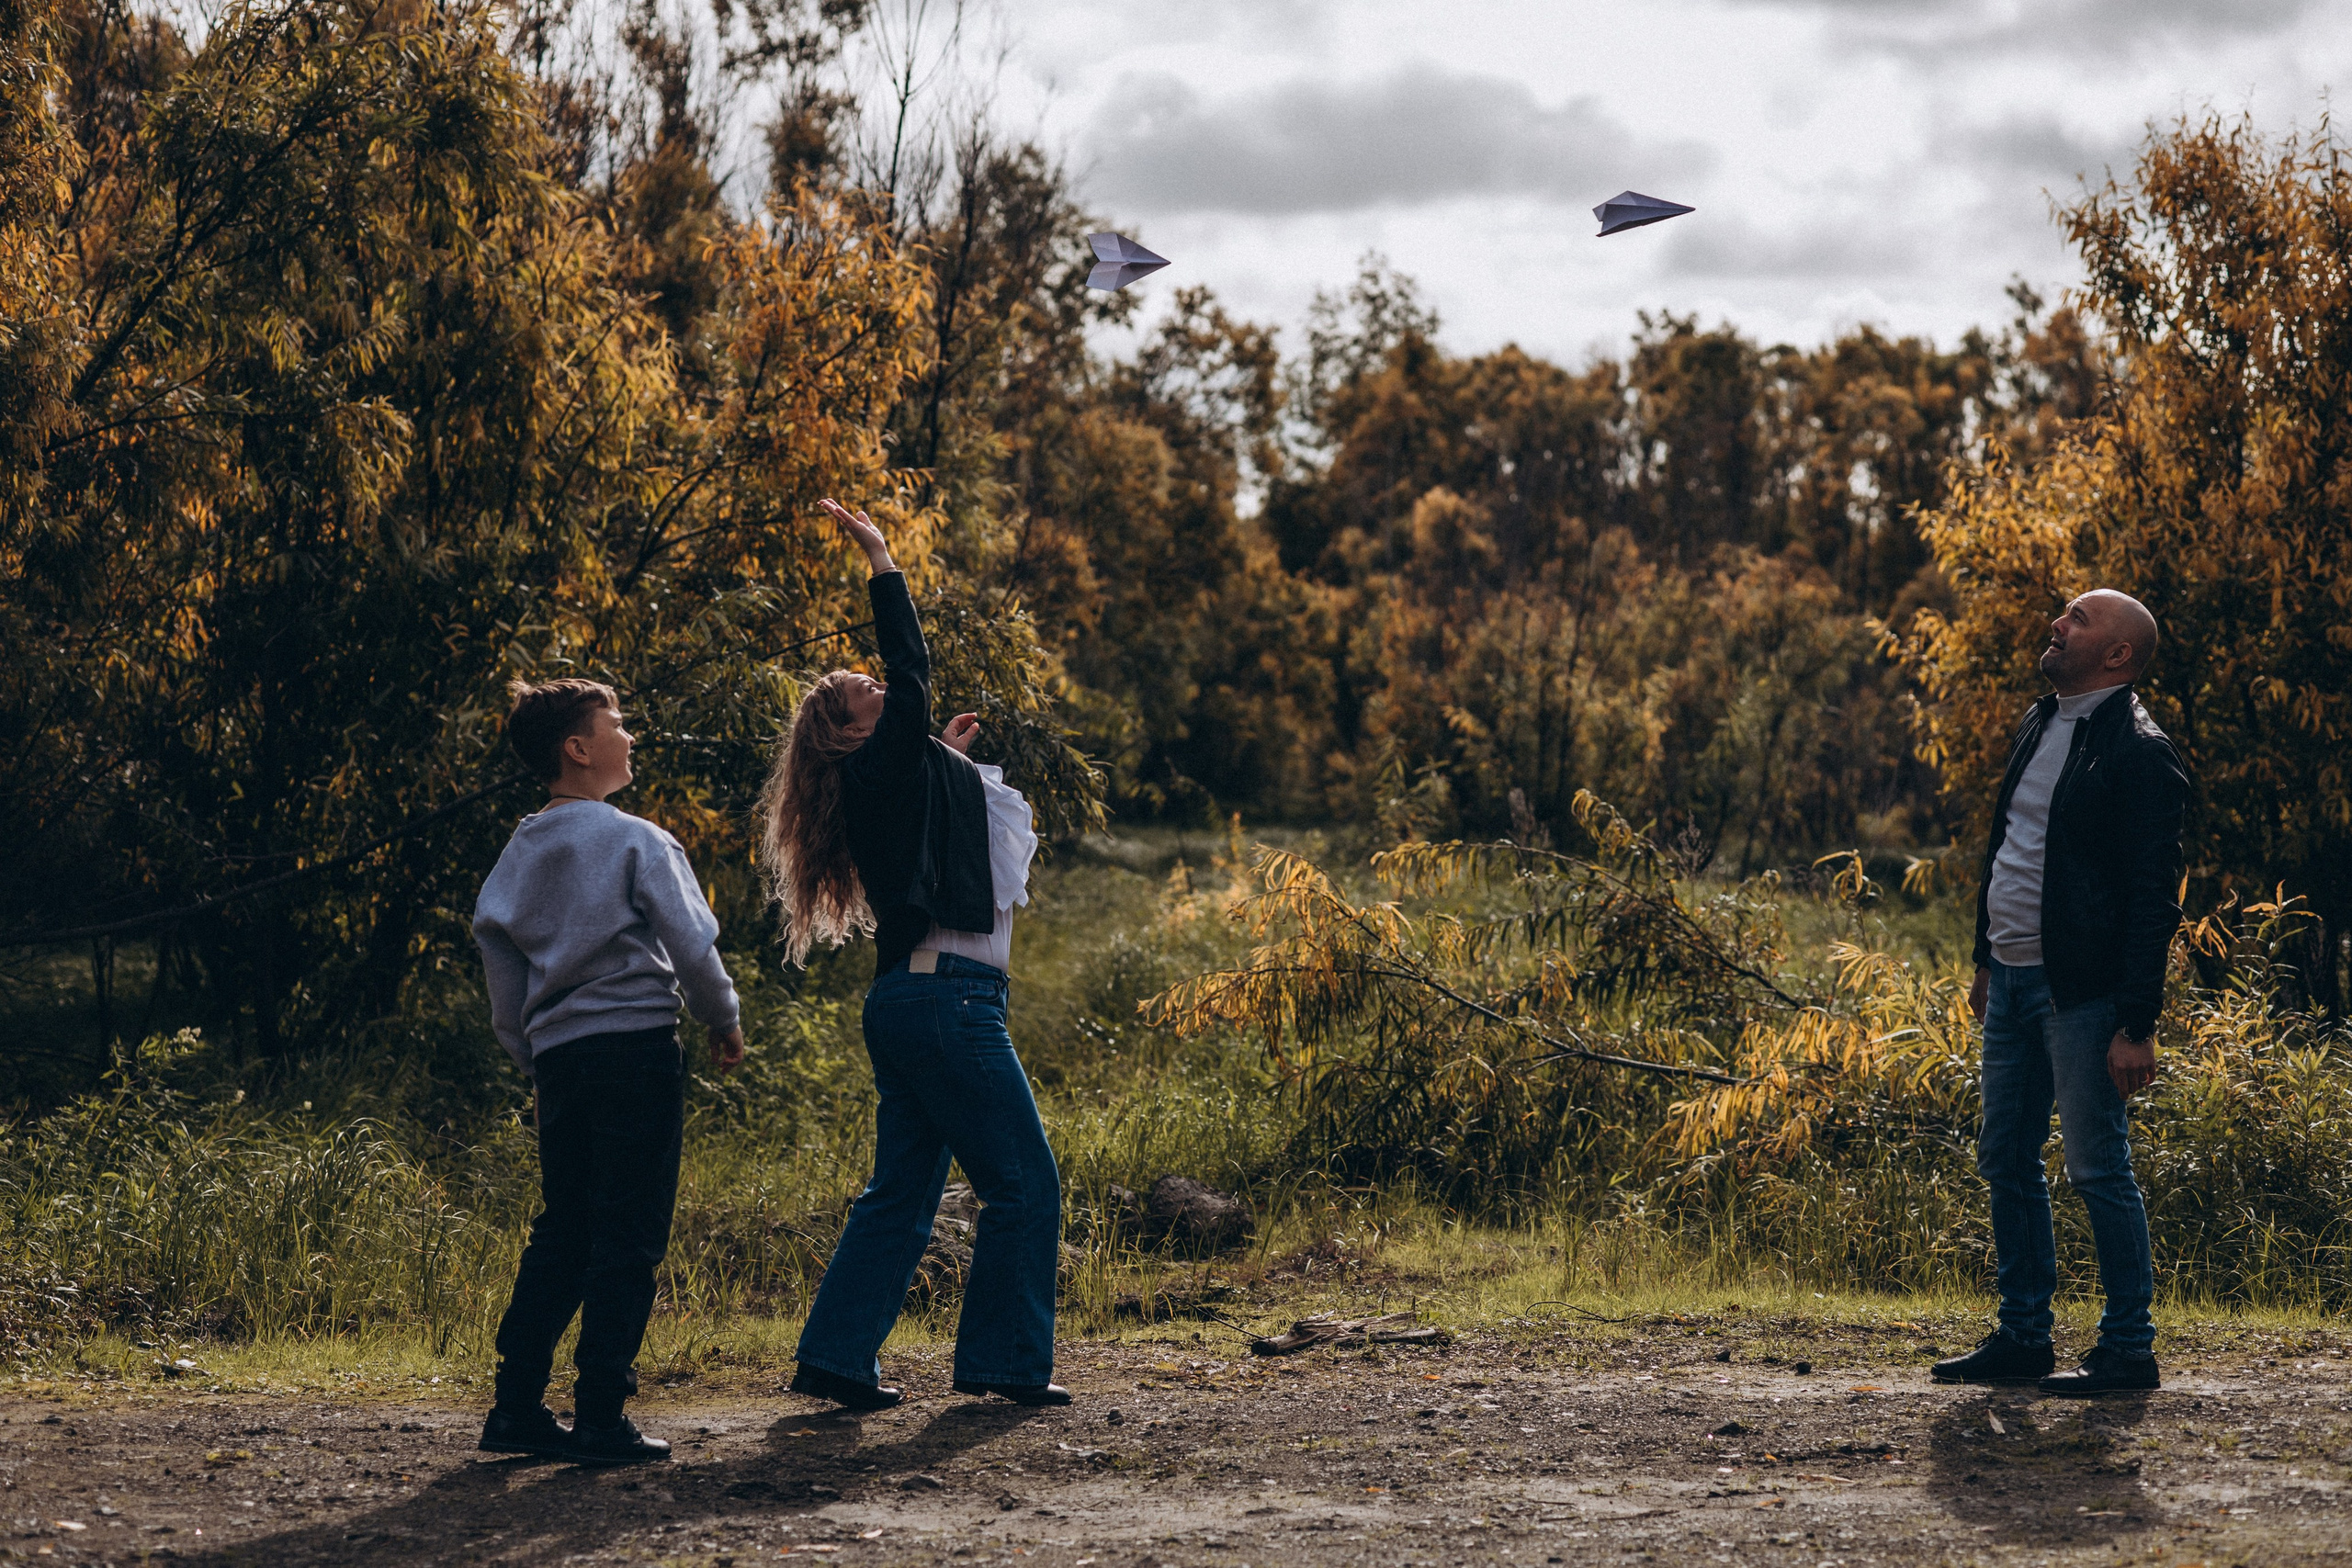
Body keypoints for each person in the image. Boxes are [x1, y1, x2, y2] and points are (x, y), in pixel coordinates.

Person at [760, 498, 1067, 1411]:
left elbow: (924, 800)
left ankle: (835, 1359)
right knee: (1023, 1186)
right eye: (873, 699)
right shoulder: (876, 768)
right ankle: (1006, 1365)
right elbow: (912, 664)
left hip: (916, 1004)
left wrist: (939, 754)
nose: (889, 697)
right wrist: (881, 560)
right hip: (948, 1005)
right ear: (851, 732)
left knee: (900, 1194)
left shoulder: (892, 777)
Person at [472, 679, 748, 1464]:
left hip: (561, 1062)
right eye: (617, 723)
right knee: (629, 1229)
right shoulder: (637, 839)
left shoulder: (518, 853)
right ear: (579, 747)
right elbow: (691, 945)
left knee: (565, 1226)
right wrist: (722, 1017)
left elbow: (501, 973)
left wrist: (533, 1057)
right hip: (635, 1052)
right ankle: (600, 1412)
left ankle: (515, 1405)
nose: (630, 735)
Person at [1931, 589, 2188, 1396]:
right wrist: (1984, 957)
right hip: (2009, 981)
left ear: (2117, 654)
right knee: (2004, 1155)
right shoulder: (2040, 721)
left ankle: (2127, 1350)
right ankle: (2023, 1337)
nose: (2056, 624)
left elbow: (2154, 896)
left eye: (2077, 619)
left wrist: (2137, 1023)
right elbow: (2010, 845)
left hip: (2081, 996)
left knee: (2095, 1167)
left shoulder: (2141, 752)